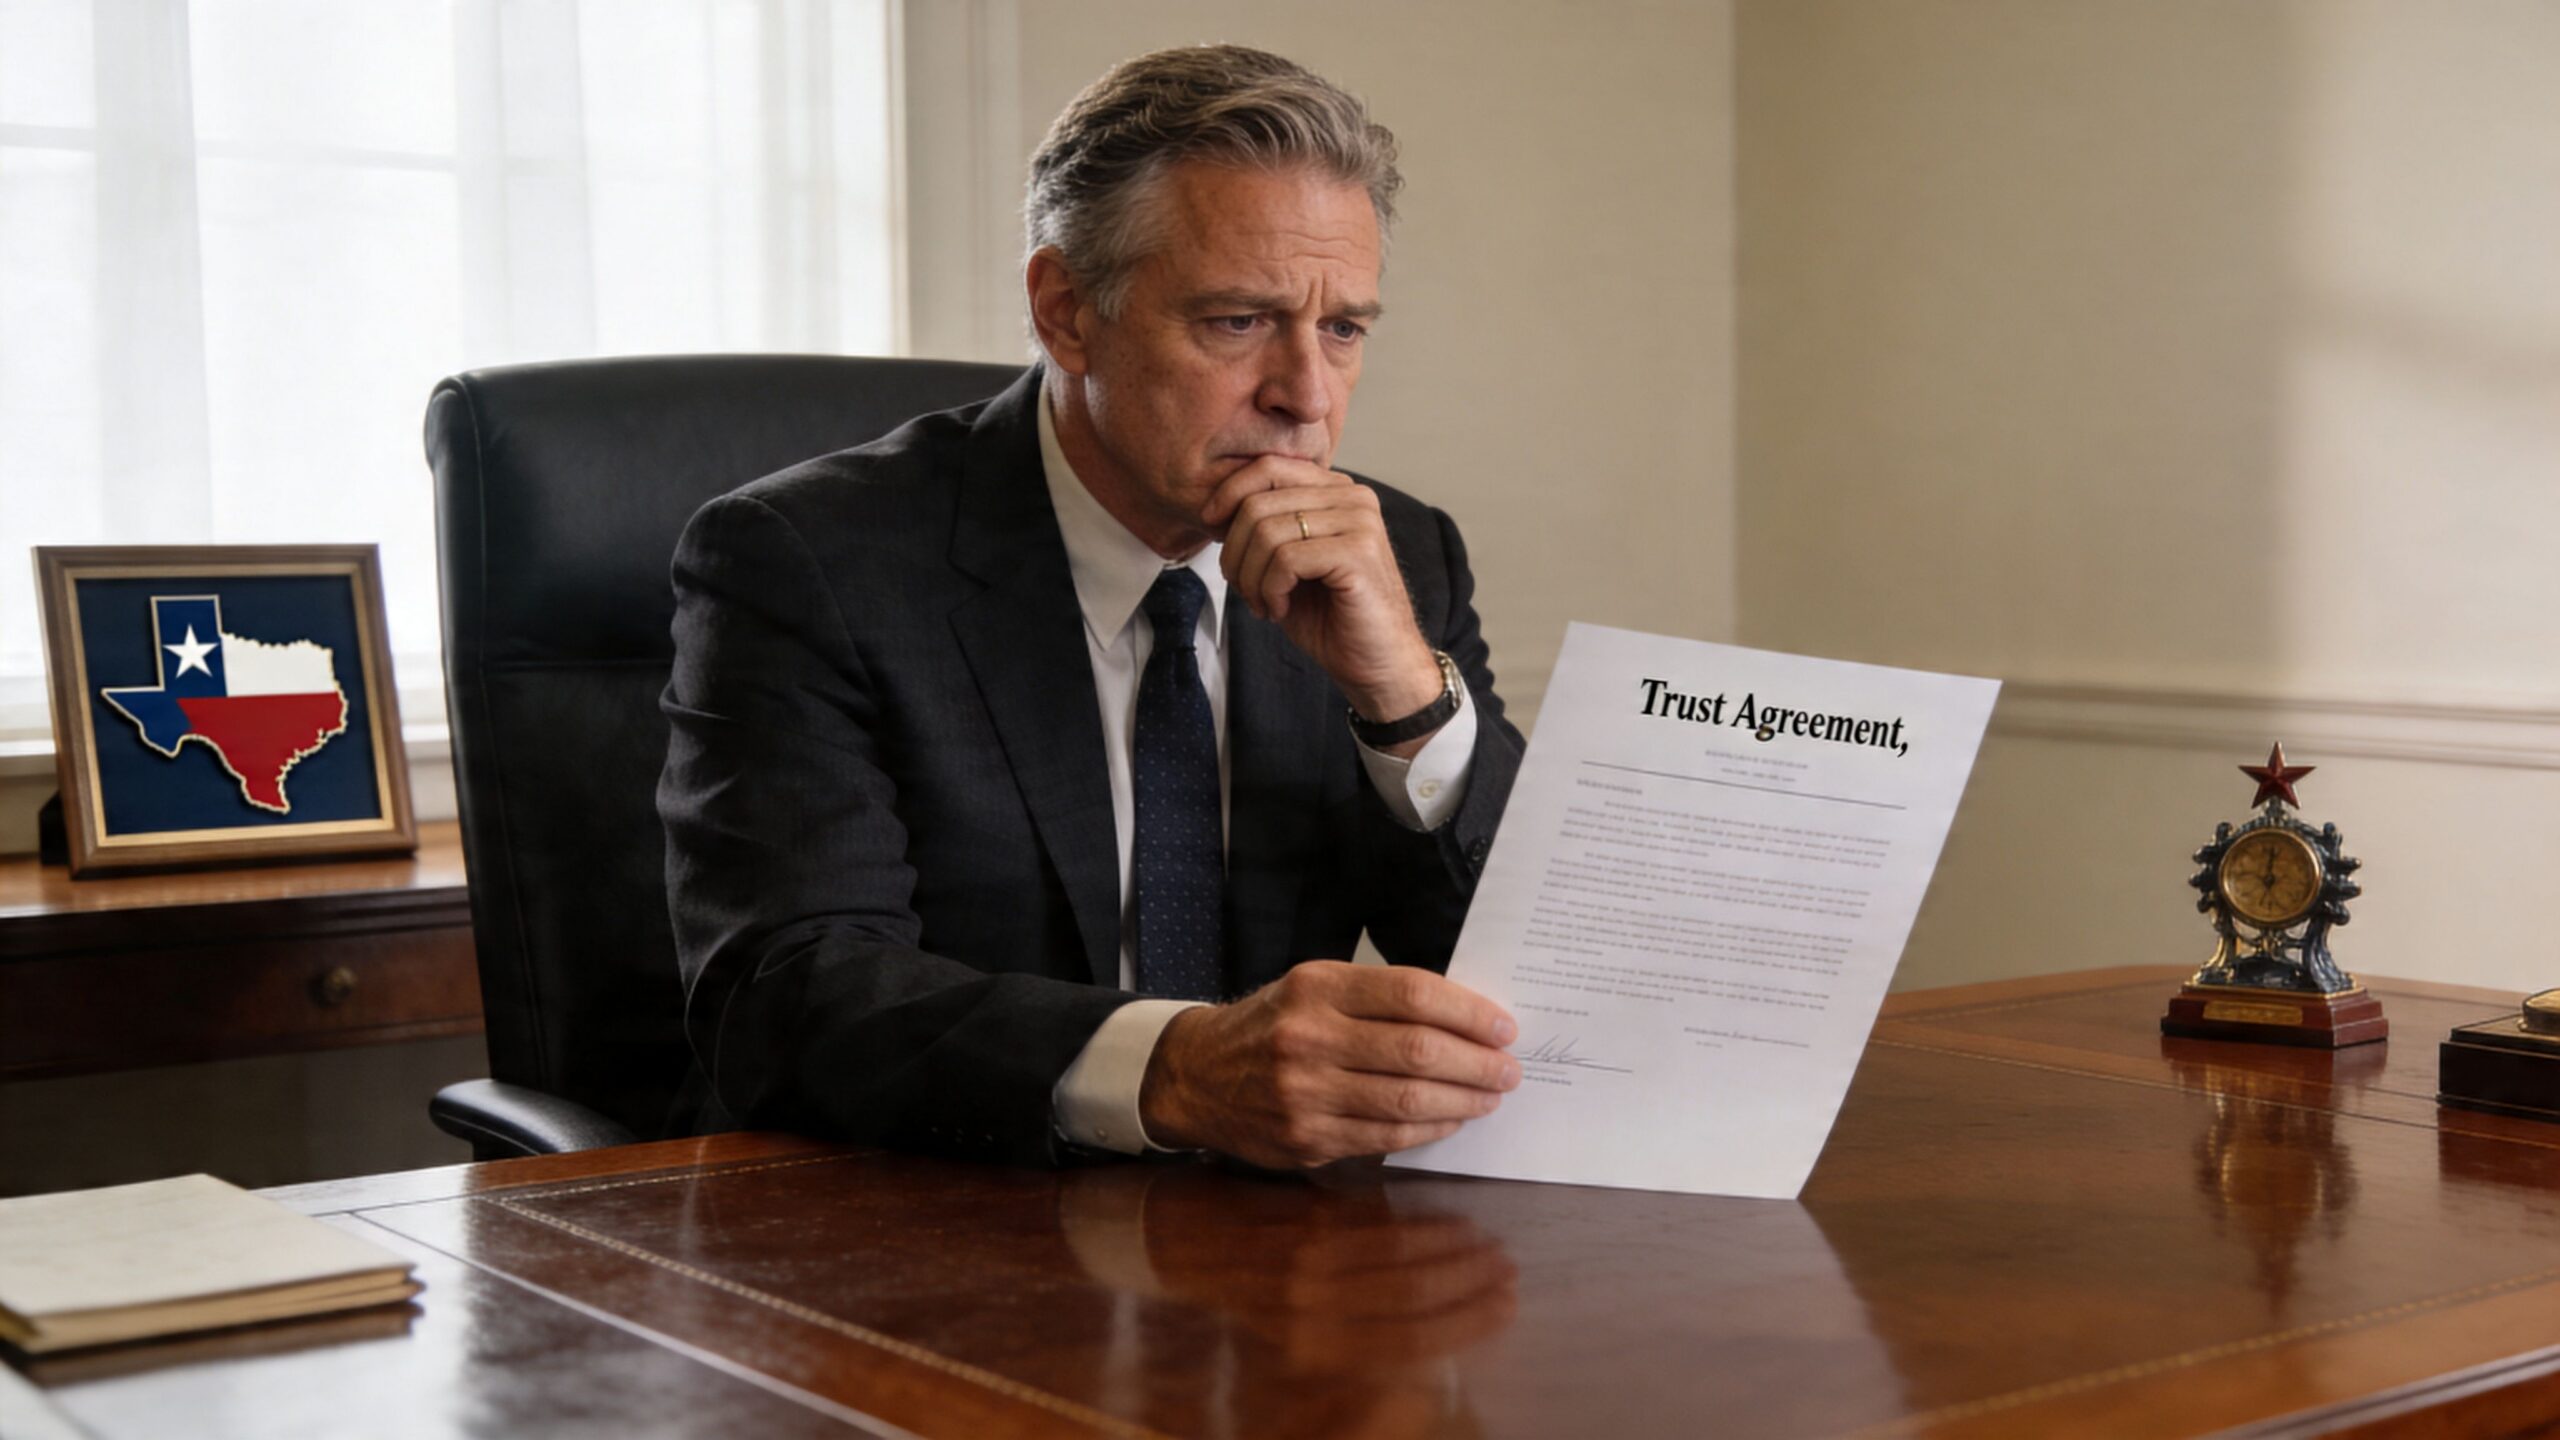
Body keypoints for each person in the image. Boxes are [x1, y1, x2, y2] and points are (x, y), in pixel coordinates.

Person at [659, 44, 1523, 1171]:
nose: (1306, 397)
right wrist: (1176, 1069)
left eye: (1344, 329)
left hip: (1275, 1252)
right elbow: (791, 997)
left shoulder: (1397, 555)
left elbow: (1527, 981)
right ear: (1066, 312)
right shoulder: (807, 560)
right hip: (933, 1224)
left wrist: (1402, 698)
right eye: (1236, 322)